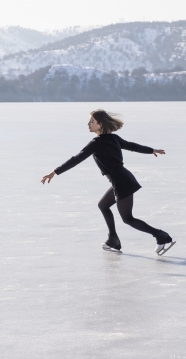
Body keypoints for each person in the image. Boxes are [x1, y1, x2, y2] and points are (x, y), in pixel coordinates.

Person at [41, 109, 176, 255]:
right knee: (103, 205)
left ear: (100, 124)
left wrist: (54, 172)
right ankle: (113, 240)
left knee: (128, 218)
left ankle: (161, 236)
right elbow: (132, 146)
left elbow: (77, 159)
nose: (88, 124)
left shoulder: (96, 143)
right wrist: (151, 150)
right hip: (123, 179)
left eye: (92, 121)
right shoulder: (114, 138)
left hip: (121, 181)